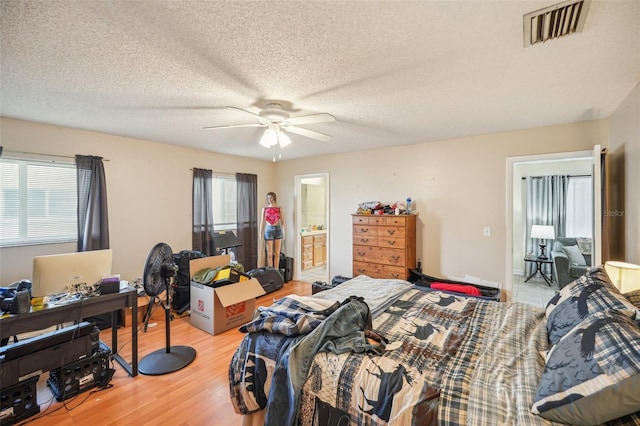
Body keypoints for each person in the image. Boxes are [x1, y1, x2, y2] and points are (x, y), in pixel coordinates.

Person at [260, 192, 285, 268]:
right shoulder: (265, 209)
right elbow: (262, 222)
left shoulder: (279, 208)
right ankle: (270, 271)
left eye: (271, 198)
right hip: (268, 230)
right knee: (269, 254)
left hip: (277, 229)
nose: (269, 200)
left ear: (274, 198)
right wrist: (260, 233)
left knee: (277, 253)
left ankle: (276, 271)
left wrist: (284, 232)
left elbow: (283, 222)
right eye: (268, 198)